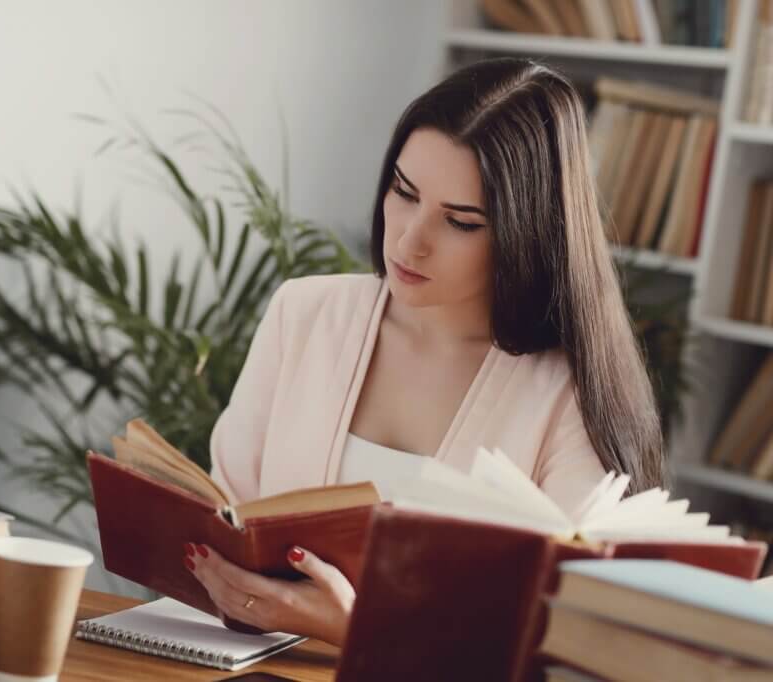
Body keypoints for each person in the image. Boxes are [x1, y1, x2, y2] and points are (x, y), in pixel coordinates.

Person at [184, 56, 664, 646]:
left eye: (460, 222)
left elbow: (558, 636)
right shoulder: (304, 314)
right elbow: (229, 515)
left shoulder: (565, 393)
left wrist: (362, 629)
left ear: (527, 234)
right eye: (403, 192)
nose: (410, 240)